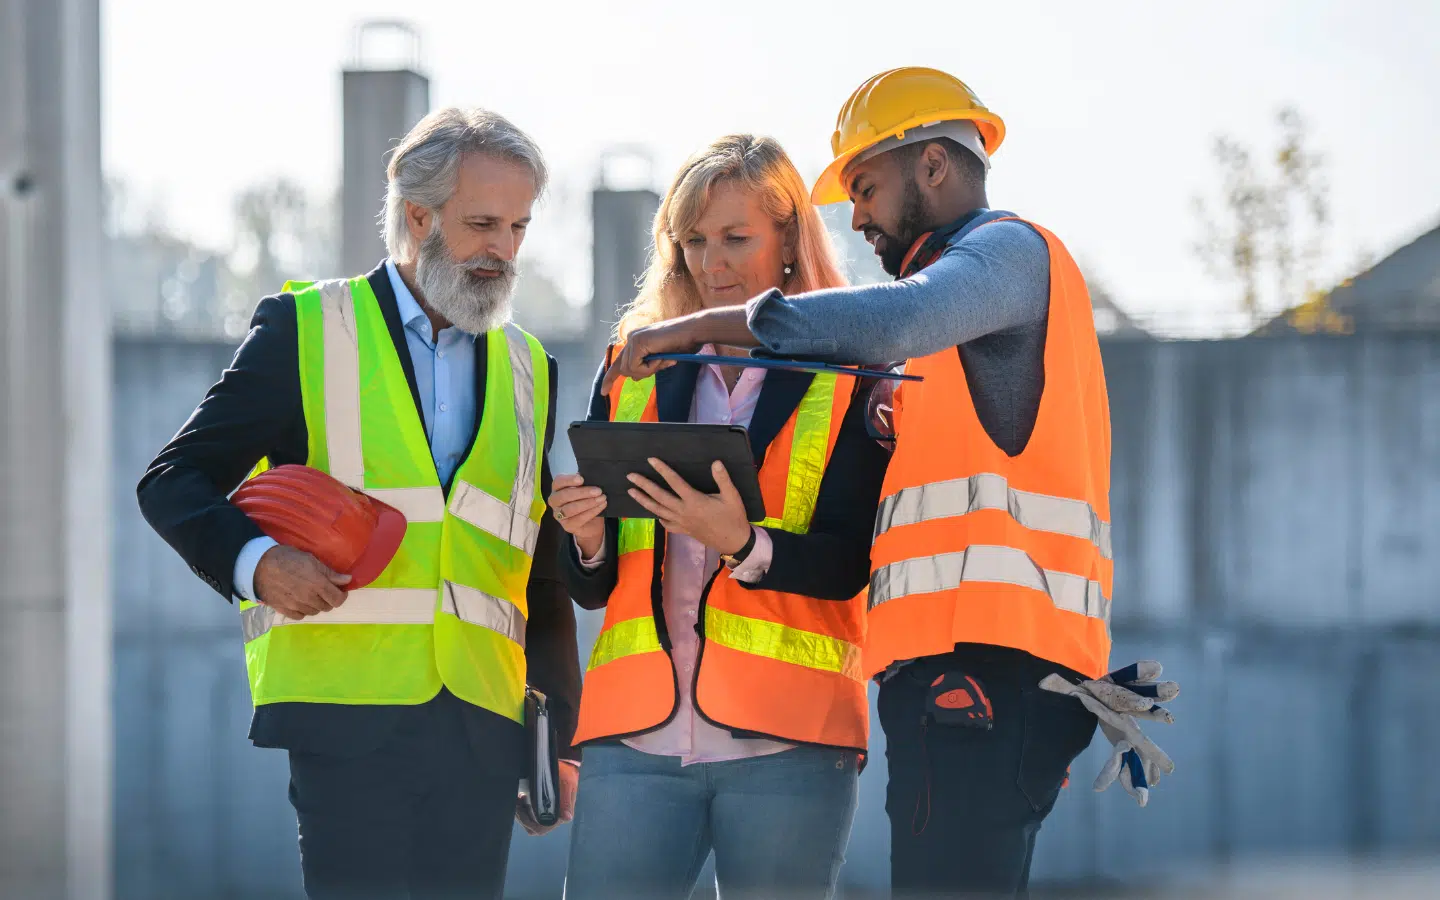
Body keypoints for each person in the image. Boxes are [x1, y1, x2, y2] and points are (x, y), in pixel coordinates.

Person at [602, 68, 1112, 898]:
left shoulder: (1009, 253)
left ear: (935, 167)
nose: (859, 215)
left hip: (993, 668)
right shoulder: (954, 313)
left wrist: (696, 324)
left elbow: (887, 319)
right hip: (956, 674)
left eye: (868, 187)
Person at [136, 107, 581, 900]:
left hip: (482, 728)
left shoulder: (530, 369)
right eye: (483, 224)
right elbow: (172, 480)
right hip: (346, 721)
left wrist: (559, 740)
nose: (504, 251)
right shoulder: (306, 330)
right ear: (418, 216)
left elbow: (536, 578)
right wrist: (258, 562)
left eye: (518, 227)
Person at [549, 134, 890, 900]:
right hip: (634, 739)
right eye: (694, 241)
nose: (713, 263)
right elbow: (594, 587)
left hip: (790, 743)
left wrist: (742, 542)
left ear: (791, 244)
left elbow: (850, 565)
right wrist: (588, 538)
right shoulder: (630, 368)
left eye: (737, 238)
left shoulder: (855, 376)